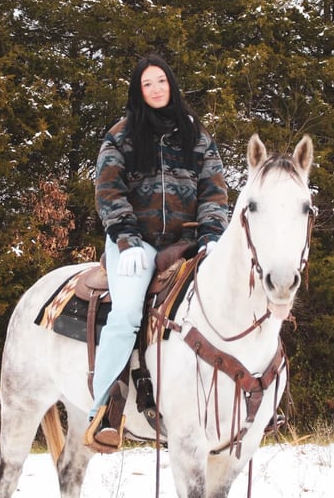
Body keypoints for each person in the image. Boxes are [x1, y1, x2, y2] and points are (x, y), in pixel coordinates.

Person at [84, 53, 229, 451]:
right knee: (127, 314)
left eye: (161, 81)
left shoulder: (196, 135)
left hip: (189, 243)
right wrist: (126, 238)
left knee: (226, 310)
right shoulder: (122, 135)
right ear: (139, 91)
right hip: (136, 243)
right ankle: (103, 412)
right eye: (147, 84)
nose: (156, 89)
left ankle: (235, 407)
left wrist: (214, 233)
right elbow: (108, 190)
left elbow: (214, 190)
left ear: (172, 84)